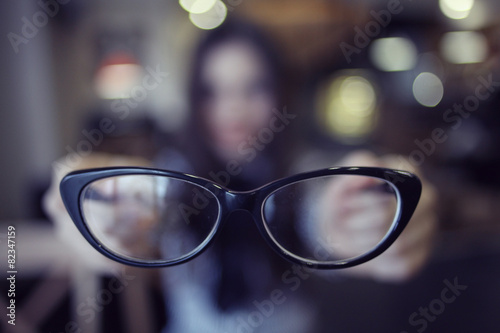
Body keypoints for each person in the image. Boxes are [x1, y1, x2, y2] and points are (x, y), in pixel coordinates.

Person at [44, 18, 436, 333]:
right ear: (195, 102)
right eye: (214, 92)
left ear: (279, 94)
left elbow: (318, 212)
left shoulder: (302, 174)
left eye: (253, 89)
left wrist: (358, 224)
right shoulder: (174, 177)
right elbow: (148, 216)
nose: (233, 110)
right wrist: (101, 220)